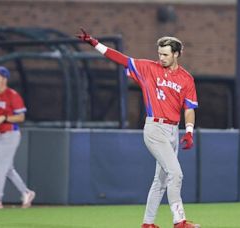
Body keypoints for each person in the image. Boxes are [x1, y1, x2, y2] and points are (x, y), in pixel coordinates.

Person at [77, 29, 200, 228]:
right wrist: (94, 43)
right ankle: (179, 221)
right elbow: (120, 59)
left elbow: (189, 108)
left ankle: (147, 223)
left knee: (160, 182)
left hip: (172, 131)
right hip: (154, 129)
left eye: (165, 54)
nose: (161, 57)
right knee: (176, 174)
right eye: (159, 53)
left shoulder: (186, 79)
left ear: (176, 54)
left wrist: (189, 131)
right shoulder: (148, 68)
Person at [0, 66, 35, 209]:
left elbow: (21, 116)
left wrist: (4, 118)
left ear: (5, 79)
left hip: (10, 134)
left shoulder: (12, 95)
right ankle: (26, 192)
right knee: (7, 168)